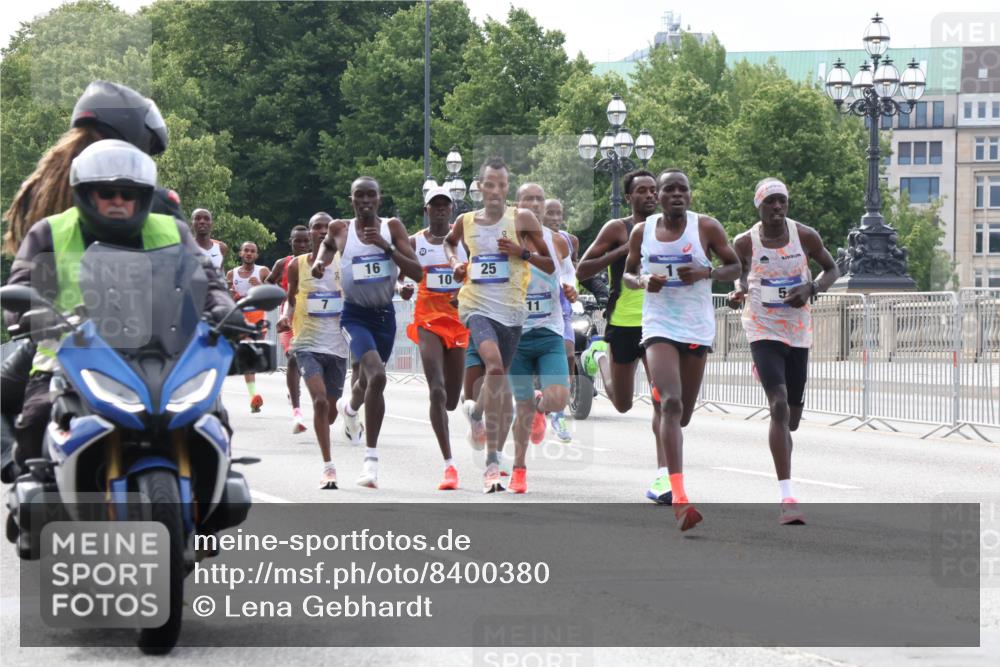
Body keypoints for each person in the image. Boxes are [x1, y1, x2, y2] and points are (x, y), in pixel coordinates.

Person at [4, 139, 235, 470]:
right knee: (39, 417)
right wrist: (27, 314)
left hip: (162, 355)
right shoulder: (51, 232)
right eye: (106, 193)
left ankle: (212, 494)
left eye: (127, 194)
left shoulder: (172, 230)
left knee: (210, 418)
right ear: (85, 194)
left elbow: (209, 282)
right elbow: (22, 282)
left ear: (141, 197)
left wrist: (224, 309)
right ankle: (38, 505)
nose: (118, 201)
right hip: (69, 355)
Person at [2, 80, 183, 482]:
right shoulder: (150, 198)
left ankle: (21, 470)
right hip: (129, 339)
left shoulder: (44, 187)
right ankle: (32, 479)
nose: (118, 200)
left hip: (69, 336)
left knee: (16, 392)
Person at [623, 168, 741, 531]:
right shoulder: (643, 232)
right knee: (670, 403)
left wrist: (706, 273)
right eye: (669, 189)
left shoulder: (706, 227)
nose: (677, 195)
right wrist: (644, 281)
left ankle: (672, 470)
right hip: (658, 325)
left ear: (690, 195)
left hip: (696, 326)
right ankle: (679, 496)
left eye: (683, 189)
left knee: (683, 414)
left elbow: (735, 264)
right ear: (657, 196)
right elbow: (628, 273)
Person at [727, 178, 839, 525]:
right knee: (777, 405)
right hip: (762, 327)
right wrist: (737, 291)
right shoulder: (744, 241)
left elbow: (833, 268)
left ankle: (770, 375)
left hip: (798, 329)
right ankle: (787, 496)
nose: (778, 208)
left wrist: (811, 288)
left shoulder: (804, 235)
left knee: (792, 419)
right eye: (771, 203)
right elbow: (741, 275)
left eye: (782, 202)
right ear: (759, 207)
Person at [443, 156, 553, 493]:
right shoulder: (465, 221)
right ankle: (491, 465)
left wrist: (522, 252)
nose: (495, 191)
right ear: (479, 187)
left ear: (507, 187)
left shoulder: (520, 218)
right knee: (493, 369)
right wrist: (456, 263)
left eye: (502, 185)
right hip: (476, 305)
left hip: (512, 313)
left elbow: (548, 263)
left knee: (500, 382)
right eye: (489, 184)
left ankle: (480, 421)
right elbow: (449, 242)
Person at [311, 176, 422, 489]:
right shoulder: (340, 228)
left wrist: (384, 247)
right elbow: (326, 248)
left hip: (385, 316)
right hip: (354, 316)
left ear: (379, 198)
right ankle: (371, 462)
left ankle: (349, 408)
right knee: (377, 377)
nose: (365, 201)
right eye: (359, 196)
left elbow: (416, 272)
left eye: (370, 195)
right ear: (351, 200)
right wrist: (321, 263)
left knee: (363, 381)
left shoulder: (393, 228)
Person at [576, 169, 672, 503]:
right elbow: (583, 270)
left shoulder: (670, 228)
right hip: (624, 321)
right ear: (629, 197)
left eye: (653, 190)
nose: (650, 195)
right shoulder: (618, 229)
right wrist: (622, 252)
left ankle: (664, 478)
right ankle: (598, 357)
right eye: (642, 191)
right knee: (622, 403)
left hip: (660, 322)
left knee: (663, 399)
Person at [399, 187, 469, 490]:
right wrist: (399, 288)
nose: (440, 209)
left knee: (452, 401)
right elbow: (399, 274)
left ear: (451, 209)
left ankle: (463, 414)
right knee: (437, 391)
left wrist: (464, 293)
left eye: (445, 205)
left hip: (459, 322)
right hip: (427, 321)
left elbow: (479, 273)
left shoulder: (464, 241)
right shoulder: (416, 241)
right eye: (434, 205)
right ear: (426, 209)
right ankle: (449, 465)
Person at [506, 184, 572, 493]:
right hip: (516, 333)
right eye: (527, 199)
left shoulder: (557, 240)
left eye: (539, 199)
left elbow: (568, 273)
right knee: (521, 410)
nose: (534, 203)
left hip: (549, 330)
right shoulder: (504, 239)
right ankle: (519, 469)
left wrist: (571, 287)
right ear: (516, 205)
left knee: (559, 397)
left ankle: (542, 407)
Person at [277, 213, 349, 489]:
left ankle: (345, 409)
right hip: (307, 342)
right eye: (316, 228)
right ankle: (328, 467)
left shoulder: (344, 260)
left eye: (325, 227)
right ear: (309, 234)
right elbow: (291, 297)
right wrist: (286, 316)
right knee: (319, 402)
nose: (321, 232)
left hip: (339, 346)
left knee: (329, 413)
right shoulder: (296, 265)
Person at [268, 225, 312, 433]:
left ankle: (295, 388)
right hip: (289, 315)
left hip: (312, 318)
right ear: (291, 242)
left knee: (307, 358)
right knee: (293, 356)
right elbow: (268, 283)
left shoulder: (317, 262)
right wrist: (282, 294)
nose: (302, 245)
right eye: (298, 241)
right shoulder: (282, 263)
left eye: (306, 241)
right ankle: (297, 411)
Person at [541, 197, 578, 442]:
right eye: (549, 213)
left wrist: (571, 288)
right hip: (531, 313)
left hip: (561, 310)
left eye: (558, 213)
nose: (555, 218)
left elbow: (571, 271)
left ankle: (559, 411)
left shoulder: (569, 240)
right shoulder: (528, 237)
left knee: (568, 354)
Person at [227, 242, 270, 412]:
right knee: (247, 353)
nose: (249, 253)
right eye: (246, 250)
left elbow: (275, 292)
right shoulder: (232, 274)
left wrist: (260, 286)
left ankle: (253, 396)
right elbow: (225, 296)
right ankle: (253, 397)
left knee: (251, 359)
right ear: (240, 253)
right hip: (240, 320)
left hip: (258, 319)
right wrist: (231, 295)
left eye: (253, 251)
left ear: (257, 255)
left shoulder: (263, 271)